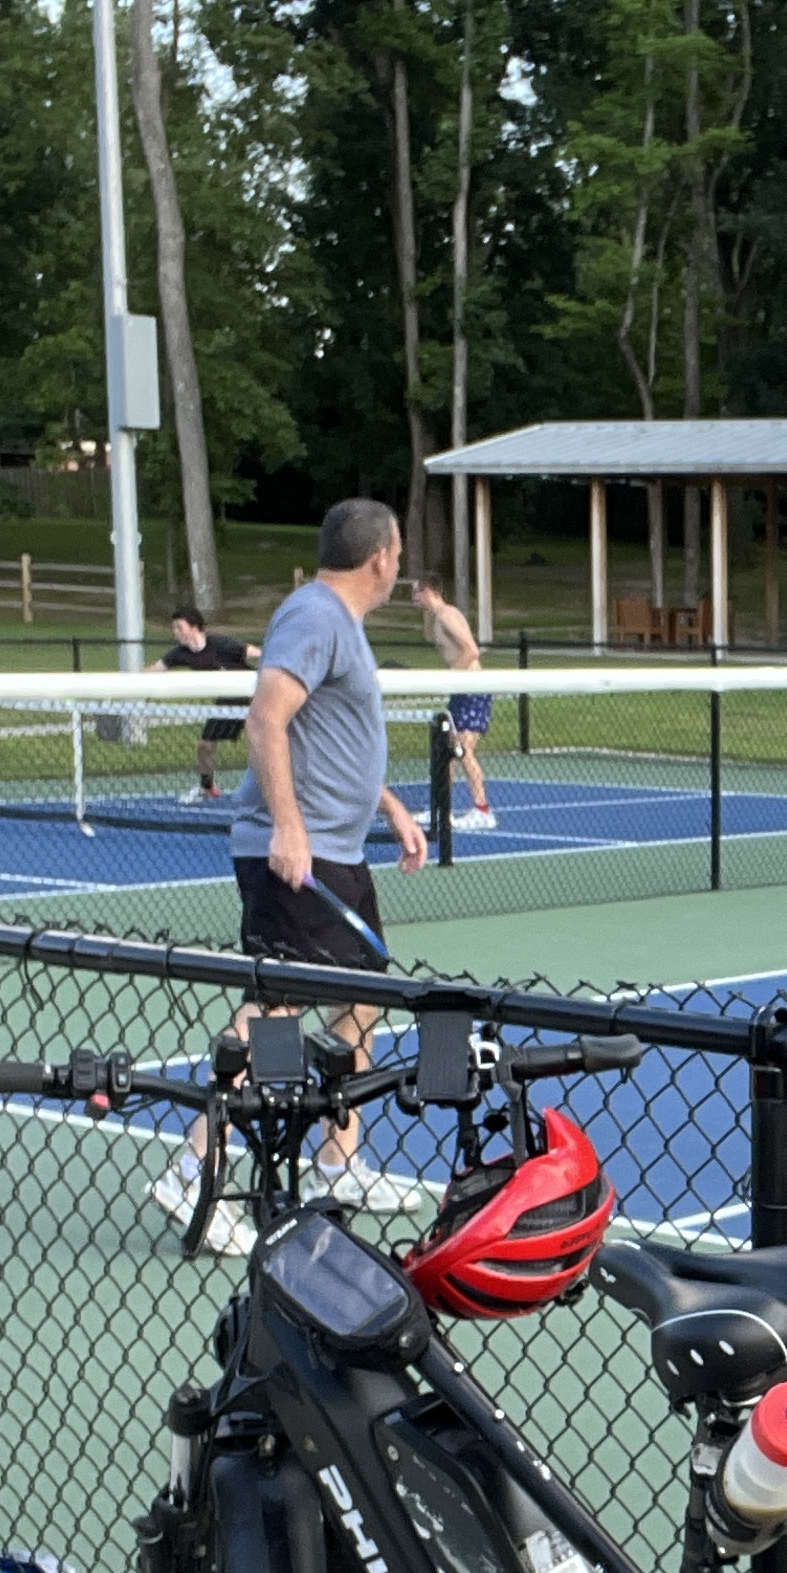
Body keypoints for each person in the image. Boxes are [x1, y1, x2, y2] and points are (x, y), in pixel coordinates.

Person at [154, 496, 435, 1233]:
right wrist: (287, 827)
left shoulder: (340, 625)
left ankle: (338, 1161)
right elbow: (266, 717)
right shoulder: (314, 617)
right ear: (381, 557)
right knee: (275, 1006)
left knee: (364, 994)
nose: (398, 564)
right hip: (295, 855)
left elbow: (332, 735)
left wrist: (391, 807)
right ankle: (194, 1173)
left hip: (334, 850)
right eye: (397, 553)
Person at [410, 578, 498, 832]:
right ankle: (441, 807)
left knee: (463, 750)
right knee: (447, 751)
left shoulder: (448, 615)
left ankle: (482, 810)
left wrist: (450, 678)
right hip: (461, 690)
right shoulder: (439, 619)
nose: (415, 597)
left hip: (473, 689)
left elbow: (471, 651)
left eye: (417, 592)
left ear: (428, 591)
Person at [160, 602, 253, 802]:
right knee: (205, 745)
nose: (175, 632)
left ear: (193, 628)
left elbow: (251, 651)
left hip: (254, 695)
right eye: (174, 628)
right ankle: (207, 786)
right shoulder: (180, 653)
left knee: (260, 741)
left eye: (179, 627)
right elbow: (156, 668)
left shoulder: (219, 643)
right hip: (228, 700)